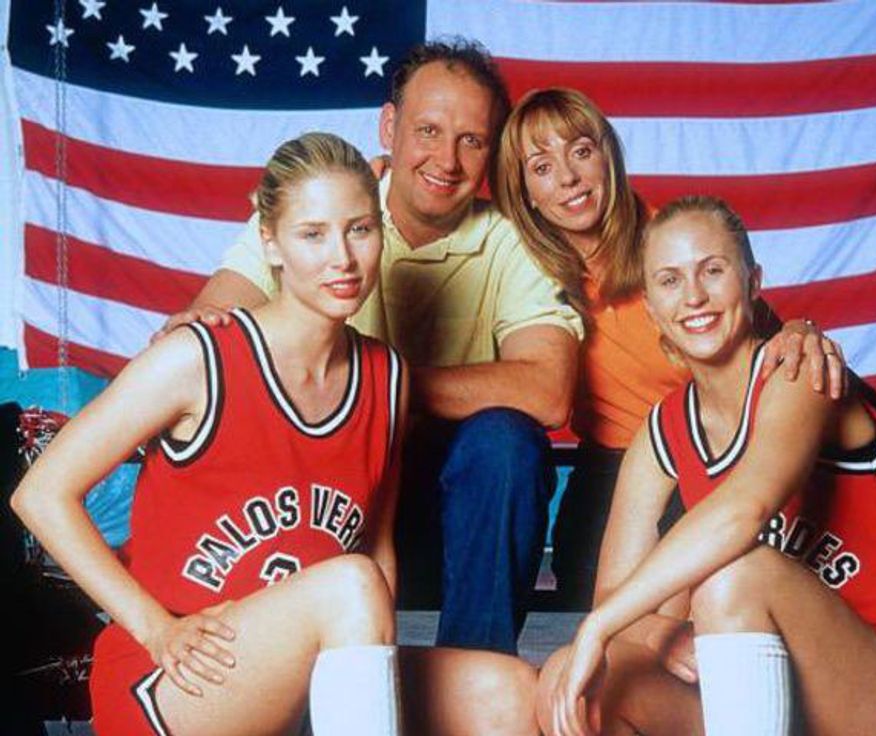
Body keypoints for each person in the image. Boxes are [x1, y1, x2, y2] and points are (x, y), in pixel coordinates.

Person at [11, 132, 537, 736]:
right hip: (178, 676)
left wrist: (372, 681)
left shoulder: (387, 377)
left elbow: (378, 550)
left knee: (510, 693)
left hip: (317, 656)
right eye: (312, 234)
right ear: (270, 242)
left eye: (360, 230)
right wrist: (155, 628)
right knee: (349, 584)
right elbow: (40, 494)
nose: (342, 258)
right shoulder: (200, 358)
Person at [159, 40, 583, 656]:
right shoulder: (325, 203)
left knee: (505, 441)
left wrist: (373, 382)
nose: (447, 159)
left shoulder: (512, 239)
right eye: (428, 131)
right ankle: (270, 664)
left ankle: (475, 671)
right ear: (389, 127)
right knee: (261, 405)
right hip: (319, 489)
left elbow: (548, 391)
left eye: (471, 140)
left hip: (448, 506)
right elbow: (213, 327)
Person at [538, 195, 876, 736]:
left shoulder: (800, 371)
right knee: (574, 682)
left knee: (732, 574)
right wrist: (655, 634)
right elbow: (614, 597)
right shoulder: (662, 432)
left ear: (753, 281)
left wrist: (598, 627)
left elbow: (745, 510)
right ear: (650, 307)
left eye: (713, 270)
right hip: (766, 678)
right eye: (669, 280)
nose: (693, 296)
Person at [493, 87, 847, 605]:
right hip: (613, 470)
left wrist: (801, 329)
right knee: (596, 607)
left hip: (713, 458)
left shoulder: (672, 245)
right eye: (542, 167)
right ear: (524, 191)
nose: (568, 177)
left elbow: (763, 332)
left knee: (698, 610)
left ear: (608, 157)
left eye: (581, 152)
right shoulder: (520, 265)